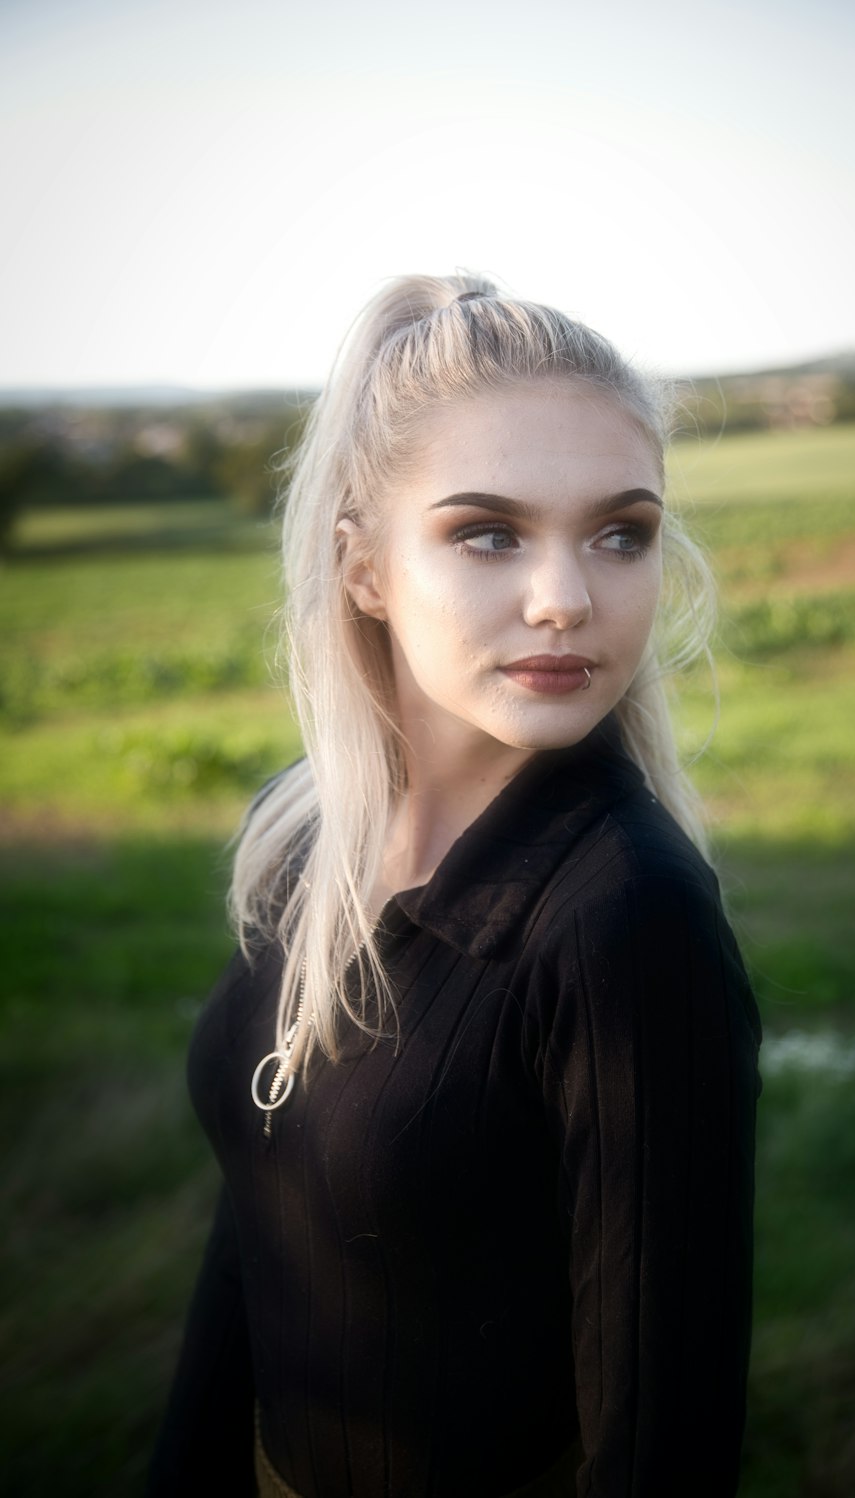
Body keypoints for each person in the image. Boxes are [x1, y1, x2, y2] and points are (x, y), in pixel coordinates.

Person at [147, 274, 763, 1497]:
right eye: (489, 531)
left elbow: (661, 1445)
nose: (565, 597)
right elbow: (265, 1219)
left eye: (619, 531)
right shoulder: (303, 832)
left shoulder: (622, 919)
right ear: (363, 567)